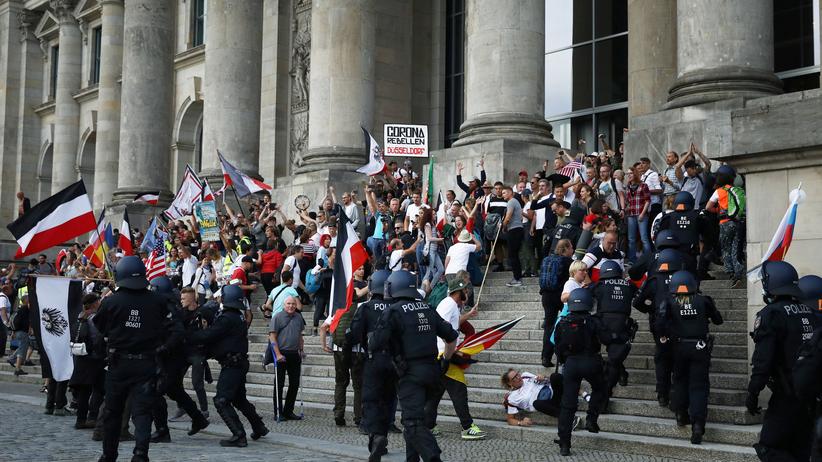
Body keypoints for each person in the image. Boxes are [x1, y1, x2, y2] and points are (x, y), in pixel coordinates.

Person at [93, 256, 184, 462]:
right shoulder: (158, 300)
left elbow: (99, 327)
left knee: (112, 412)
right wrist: (162, 347)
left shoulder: (111, 301)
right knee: (142, 413)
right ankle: (141, 454)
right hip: (146, 363)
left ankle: (109, 455)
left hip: (119, 364)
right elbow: (176, 327)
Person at [370, 270, 458, 462]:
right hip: (433, 372)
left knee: (412, 422)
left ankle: (433, 458)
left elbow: (375, 343)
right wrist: (446, 360)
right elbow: (452, 337)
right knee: (419, 421)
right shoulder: (427, 308)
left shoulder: (393, 311)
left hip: (410, 374)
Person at [746, 261, 820, 461]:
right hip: (810, 394)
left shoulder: (771, 314)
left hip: (786, 393)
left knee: (768, 447)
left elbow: (763, 359)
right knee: (801, 449)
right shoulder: (811, 312)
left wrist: (754, 391)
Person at [188, 284, 268, 447]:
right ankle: (259, 427)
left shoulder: (227, 318)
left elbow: (209, 335)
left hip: (232, 364)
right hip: (238, 362)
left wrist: (189, 335)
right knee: (239, 399)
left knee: (221, 400)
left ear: (226, 299)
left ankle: (239, 435)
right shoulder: (237, 316)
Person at [655, 270, 723, 444]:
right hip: (700, 347)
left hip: (679, 346)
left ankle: (680, 414)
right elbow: (718, 320)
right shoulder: (704, 300)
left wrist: (665, 336)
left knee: (679, 381)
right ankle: (698, 425)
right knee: (699, 387)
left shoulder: (669, 302)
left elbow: (660, 324)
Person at [347, 270, 399, 461]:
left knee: (371, 400)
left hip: (373, 359)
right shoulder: (396, 307)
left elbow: (353, 335)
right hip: (394, 361)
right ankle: (383, 435)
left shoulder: (366, 308)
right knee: (389, 400)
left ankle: (374, 437)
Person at [553, 288, 610, 456]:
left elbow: (557, 346)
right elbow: (606, 339)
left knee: (568, 405)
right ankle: (591, 419)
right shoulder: (594, 321)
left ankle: (565, 443)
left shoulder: (562, 322)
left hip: (571, 364)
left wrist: (565, 358)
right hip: (591, 361)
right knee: (601, 388)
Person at [425, 278, 484, 440]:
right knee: (459, 391)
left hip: (442, 353)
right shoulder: (449, 304)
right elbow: (439, 325)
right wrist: (449, 348)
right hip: (446, 354)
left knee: (435, 394)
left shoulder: (452, 305)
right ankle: (467, 427)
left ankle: (428, 425)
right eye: (466, 291)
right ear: (459, 292)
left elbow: (454, 323)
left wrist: (469, 314)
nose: (467, 294)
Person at [632, 249, 682, 407]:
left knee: (662, 358)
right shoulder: (683, 278)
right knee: (678, 358)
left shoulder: (654, 280)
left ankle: (662, 394)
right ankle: (676, 392)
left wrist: (651, 309)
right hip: (680, 325)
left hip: (660, 325)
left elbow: (638, 302)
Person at [592, 260, 636, 397]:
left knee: (612, 357)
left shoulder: (599, 285)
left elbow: (589, 296)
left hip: (603, 325)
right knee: (614, 356)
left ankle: (611, 385)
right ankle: (621, 374)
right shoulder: (629, 285)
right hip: (622, 325)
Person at [706, 165, 746, 288]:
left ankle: (731, 273)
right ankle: (739, 273)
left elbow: (708, 207)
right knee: (736, 248)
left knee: (726, 248)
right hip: (738, 223)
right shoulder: (737, 191)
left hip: (725, 223)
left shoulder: (719, 191)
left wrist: (718, 210)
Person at [69, 293, 105, 430]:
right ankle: (92, 417)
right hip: (95, 358)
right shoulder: (94, 318)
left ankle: (80, 419)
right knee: (98, 389)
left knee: (84, 391)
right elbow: (98, 337)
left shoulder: (80, 316)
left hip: (81, 356)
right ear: (95, 303)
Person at [269, 295, 306, 421]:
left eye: (293, 304)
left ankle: (288, 410)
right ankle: (278, 412)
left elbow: (300, 336)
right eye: (288, 304)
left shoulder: (299, 317)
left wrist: (301, 350)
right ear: (284, 305)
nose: (291, 306)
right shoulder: (277, 317)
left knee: (294, 383)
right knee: (279, 384)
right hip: (281, 353)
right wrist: (278, 354)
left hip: (294, 354)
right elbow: (272, 336)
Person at [539, 239, 574, 368]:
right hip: (560, 295)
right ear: (565, 249)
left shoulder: (547, 259)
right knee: (567, 324)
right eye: (571, 248)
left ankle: (545, 357)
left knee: (548, 326)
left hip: (546, 296)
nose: (573, 250)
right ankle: (563, 355)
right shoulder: (568, 262)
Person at [657, 191, 704, 274]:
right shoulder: (698, 217)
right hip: (690, 253)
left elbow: (660, 236)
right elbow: (707, 235)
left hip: (672, 253)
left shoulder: (668, 217)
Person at [501, 370, 568, 427]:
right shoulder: (511, 397)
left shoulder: (525, 375)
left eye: (517, 374)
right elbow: (510, 419)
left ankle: (573, 392)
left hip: (554, 393)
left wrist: (543, 377)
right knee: (536, 403)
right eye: (514, 378)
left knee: (555, 376)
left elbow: (545, 380)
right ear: (509, 383)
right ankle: (568, 418)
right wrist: (521, 422)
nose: (518, 377)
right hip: (547, 403)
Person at [625, 165, 652, 262]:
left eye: (631, 173)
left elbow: (648, 201)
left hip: (641, 214)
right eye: (628, 174)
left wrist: (642, 214)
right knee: (631, 239)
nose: (629, 175)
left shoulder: (643, 185)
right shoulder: (628, 186)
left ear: (635, 174)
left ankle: (648, 259)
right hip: (631, 214)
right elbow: (628, 200)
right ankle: (632, 260)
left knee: (644, 238)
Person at [502, 185, 524, 287]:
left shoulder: (511, 202)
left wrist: (504, 226)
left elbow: (508, 216)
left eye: (504, 193)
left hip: (514, 229)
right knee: (513, 254)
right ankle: (517, 276)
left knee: (512, 254)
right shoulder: (514, 202)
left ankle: (517, 278)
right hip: (517, 228)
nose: (503, 195)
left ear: (510, 192)